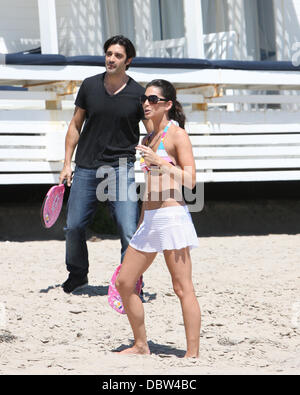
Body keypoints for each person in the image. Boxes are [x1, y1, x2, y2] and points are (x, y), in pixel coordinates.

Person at [59, 35, 153, 294]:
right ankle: (77, 275)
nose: (111, 59)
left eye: (118, 55)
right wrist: (67, 163)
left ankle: (131, 282)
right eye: (109, 53)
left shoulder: (138, 94)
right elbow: (75, 125)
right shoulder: (89, 86)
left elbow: (151, 131)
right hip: (87, 166)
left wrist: (156, 158)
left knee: (128, 228)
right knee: (74, 226)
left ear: (128, 60)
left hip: (121, 166)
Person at [115, 79, 201, 358]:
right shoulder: (147, 139)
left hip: (171, 216)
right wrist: (141, 219)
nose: (146, 103)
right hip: (150, 219)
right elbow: (149, 186)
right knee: (125, 282)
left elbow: (191, 181)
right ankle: (141, 345)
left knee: (181, 287)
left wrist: (161, 162)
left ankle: (192, 353)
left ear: (168, 104)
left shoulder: (177, 135)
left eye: (153, 99)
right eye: (144, 98)